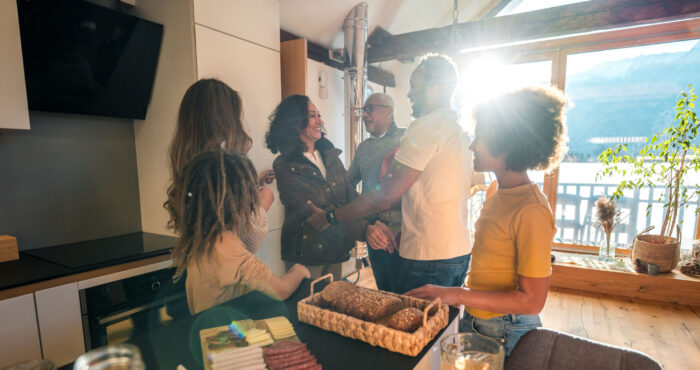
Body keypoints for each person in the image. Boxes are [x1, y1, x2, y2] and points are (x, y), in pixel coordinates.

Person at [406, 86, 568, 357]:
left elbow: (533, 301)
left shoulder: (532, 210)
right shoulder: (495, 191)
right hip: (479, 321)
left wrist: (457, 293)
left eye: (479, 137)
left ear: (504, 144)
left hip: (506, 330)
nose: (472, 145)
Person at [307, 54, 473, 293]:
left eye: (414, 86)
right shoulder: (457, 129)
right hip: (457, 252)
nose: (409, 94)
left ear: (435, 87)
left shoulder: (424, 128)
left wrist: (330, 217)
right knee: (439, 327)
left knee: (409, 328)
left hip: (427, 255)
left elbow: (385, 196)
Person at [165, 151, 310, 314]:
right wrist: (299, 270)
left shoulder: (202, 235)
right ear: (238, 199)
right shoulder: (225, 246)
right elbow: (281, 290)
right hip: (224, 333)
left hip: (207, 328)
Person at [265, 94, 386, 281]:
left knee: (329, 307)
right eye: (312, 116)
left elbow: (350, 195)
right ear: (296, 122)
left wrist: (375, 219)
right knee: (307, 308)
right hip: (306, 255)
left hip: (335, 249)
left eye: (318, 115)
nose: (320, 121)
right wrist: (364, 230)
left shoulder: (330, 156)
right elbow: (319, 212)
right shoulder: (284, 165)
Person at [169, 78, 275, 252]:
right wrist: (263, 203)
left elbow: (215, 213)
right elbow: (245, 242)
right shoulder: (228, 162)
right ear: (226, 119)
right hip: (226, 276)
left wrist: (253, 183)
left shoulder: (188, 163)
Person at [347, 93, 405, 292]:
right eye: (363, 110)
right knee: (384, 291)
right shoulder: (363, 148)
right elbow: (348, 184)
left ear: (389, 111)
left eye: (370, 109)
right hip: (374, 230)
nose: (364, 115)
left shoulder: (407, 139)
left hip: (404, 231)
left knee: (405, 295)